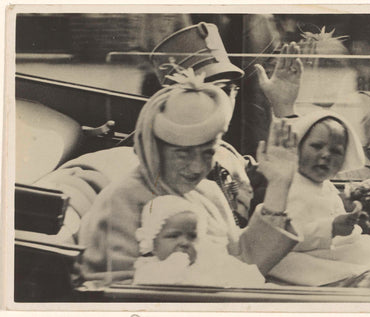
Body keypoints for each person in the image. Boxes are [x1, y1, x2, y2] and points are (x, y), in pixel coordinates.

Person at [76, 68, 302, 286]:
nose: (197, 167)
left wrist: (279, 186)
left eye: (208, 153)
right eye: (182, 154)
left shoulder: (209, 192)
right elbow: (113, 295)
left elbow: (243, 264)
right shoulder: (120, 202)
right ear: (155, 148)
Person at [266, 110, 370, 288]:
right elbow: (283, 238)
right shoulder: (292, 188)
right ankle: (363, 278)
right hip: (307, 259)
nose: (326, 155)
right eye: (316, 146)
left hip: (331, 251)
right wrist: (331, 227)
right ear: (297, 148)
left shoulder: (325, 185)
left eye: (336, 151)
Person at [255, 28, 370, 180]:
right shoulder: (286, 104)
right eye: (312, 63)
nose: (323, 71)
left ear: (347, 68)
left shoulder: (366, 104)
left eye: (331, 64)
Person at [133, 195, 264, 287]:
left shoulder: (204, 263)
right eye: (173, 236)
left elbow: (245, 276)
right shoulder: (148, 270)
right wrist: (176, 263)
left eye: (192, 236)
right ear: (153, 243)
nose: (184, 242)